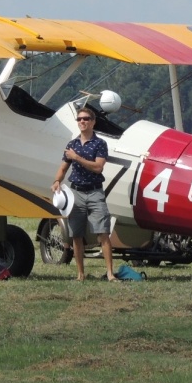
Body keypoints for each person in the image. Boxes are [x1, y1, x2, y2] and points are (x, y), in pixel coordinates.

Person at [51, 106, 116, 282]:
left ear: (93, 122)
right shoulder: (71, 145)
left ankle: (110, 274)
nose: (82, 122)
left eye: (86, 119)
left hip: (95, 192)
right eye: (79, 119)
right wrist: (57, 181)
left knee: (103, 232)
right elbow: (63, 167)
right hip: (75, 193)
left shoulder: (100, 144)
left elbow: (98, 167)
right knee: (76, 234)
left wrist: (77, 157)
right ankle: (80, 274)